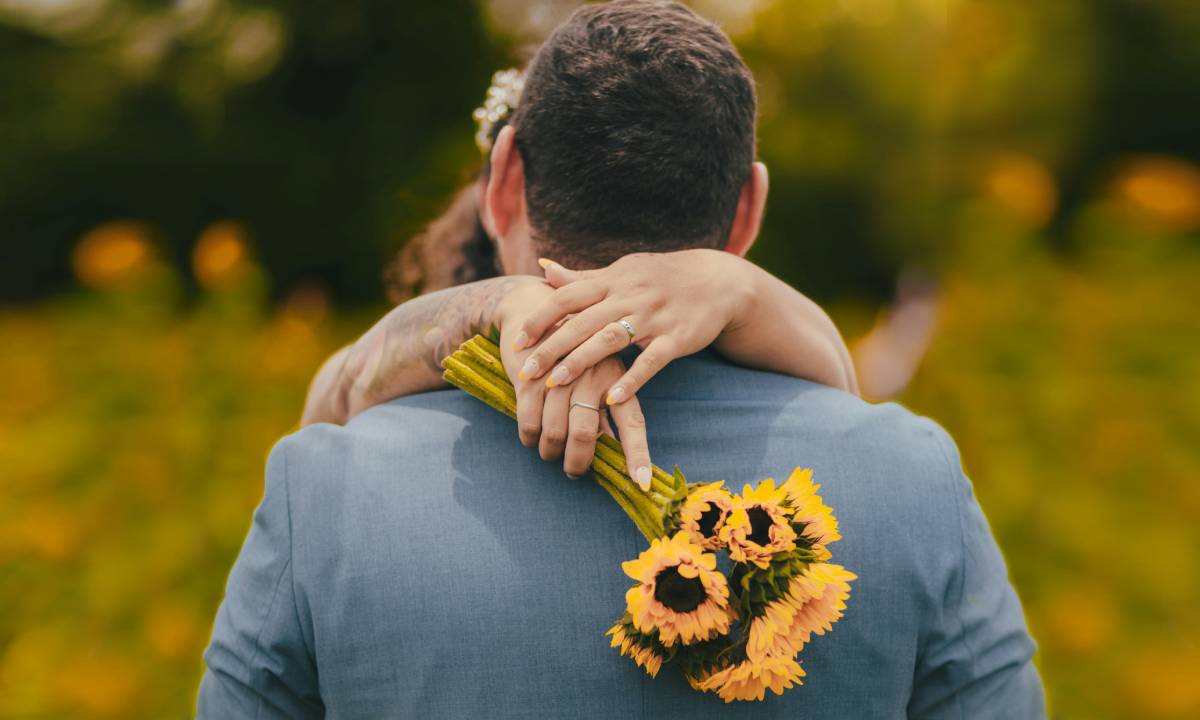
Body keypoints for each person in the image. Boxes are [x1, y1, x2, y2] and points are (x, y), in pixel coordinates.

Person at [198, 2, 1045, 717]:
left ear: (502, 185)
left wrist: (476, 315)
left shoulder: (326, 489)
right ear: (746, 211)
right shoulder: (914, 475)